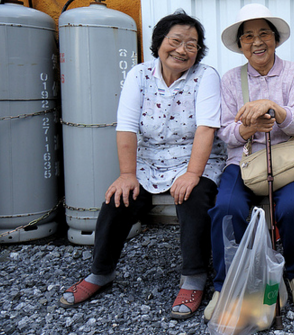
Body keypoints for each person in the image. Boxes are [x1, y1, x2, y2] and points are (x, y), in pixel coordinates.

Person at [58, 11, 225, 320]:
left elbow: (206, 128)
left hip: (195, 160)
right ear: (158, 42)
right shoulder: (139, 75)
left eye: (192, 44)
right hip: (149, 161)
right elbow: (126, 126)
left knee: (193, 195)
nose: (183, 50)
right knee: (118, 198)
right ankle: (100, 272)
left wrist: (191, 173)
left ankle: (194, 276)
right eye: (175, 41)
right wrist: (126, 174)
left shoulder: (206, 76)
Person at [205, 3, 294, 322]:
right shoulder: (230, 79)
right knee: (226, 209)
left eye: (264, 33)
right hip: (244, 161)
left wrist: (273, 109)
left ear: (276, 39)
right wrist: (249, 128)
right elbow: (226, 132)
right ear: (240, 44)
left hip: (289, 160)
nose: (257, 42)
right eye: (249, 36)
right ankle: (227, 284)